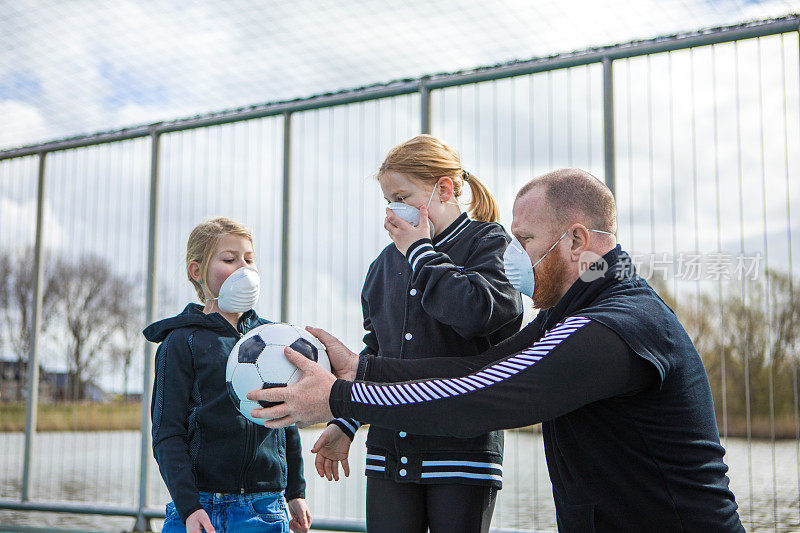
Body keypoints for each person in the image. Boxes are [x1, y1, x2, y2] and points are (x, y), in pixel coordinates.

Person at [248, 169, 744, 532]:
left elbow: (481, 394)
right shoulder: (568, 315)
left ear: (576, 241)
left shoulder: (614, 326)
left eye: (525, 240)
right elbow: (480, 365)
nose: (515, 258)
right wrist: (364, 367)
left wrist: (338, 399)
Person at [311, 134, 523, 533]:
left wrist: (420, 251)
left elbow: (478, 312)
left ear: (444, 188)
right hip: (389, 454)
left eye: (403, 196)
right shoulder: (382, 265)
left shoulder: (489, 243)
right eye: (388, 199)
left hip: (459, 454)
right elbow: (375, 356)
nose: (393, 209)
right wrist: (347, 422)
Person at [143, 217, 311, 533]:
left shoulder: (270, 337)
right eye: (229, 259)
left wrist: (296, 492)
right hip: (201, 507)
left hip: (265, 507)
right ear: (197, 271)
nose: (243, 268)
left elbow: (284, 418)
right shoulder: (181, 341)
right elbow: (167, 432)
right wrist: (189, 506)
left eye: (249, 259)